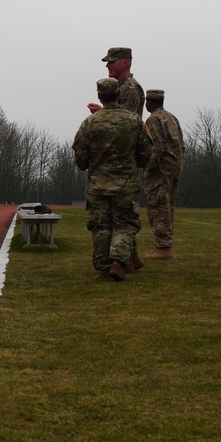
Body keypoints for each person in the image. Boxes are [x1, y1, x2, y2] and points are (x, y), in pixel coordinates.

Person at [73, 78, 152, 281]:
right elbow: (146, 152)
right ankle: (119, 261)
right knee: (124, 225)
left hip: (98, 185)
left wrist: (90, 163)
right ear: (118, 94)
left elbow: (80, 156)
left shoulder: (90, 122)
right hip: (126, 185)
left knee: (101, 227)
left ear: (100, 96)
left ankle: (103, 269)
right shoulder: (134, 121)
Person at [142, 89, 185, 259]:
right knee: (168, 209)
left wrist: (148, 168)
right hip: (173, 170)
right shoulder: (171, 118)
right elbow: (181, 144)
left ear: (149, 102)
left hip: (160, 171)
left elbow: (157, 146)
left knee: (158, 208)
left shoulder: (153, 120)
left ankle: (163, 248)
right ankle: (164, 245)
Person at [88, 47, 144, 118]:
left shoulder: (131, 88)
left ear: (125, 63)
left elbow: (127, 120)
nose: (107, 65)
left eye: (111, 62)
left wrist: (101, 112)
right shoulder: (120, 86)